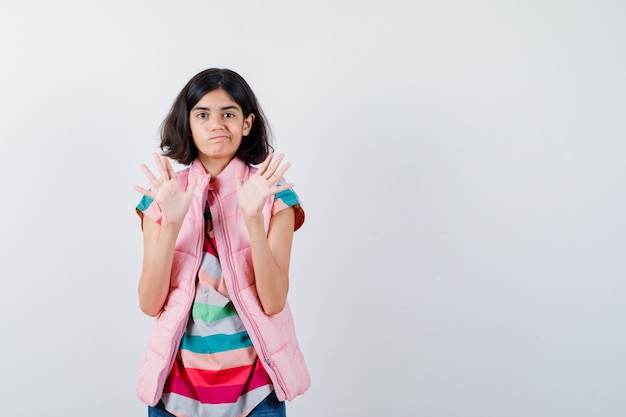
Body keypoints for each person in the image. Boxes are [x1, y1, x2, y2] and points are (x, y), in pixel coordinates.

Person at [133, 68, 309, 417]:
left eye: (228, 113)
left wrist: (254, 217)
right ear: (188, 123)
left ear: (247, 124)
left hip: (256, 390)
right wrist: (171, 222)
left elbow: (273, 301)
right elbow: (150, 304)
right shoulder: (164, 195)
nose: (216, 124)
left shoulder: (275, 194)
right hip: (175, 392)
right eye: (203, 114)